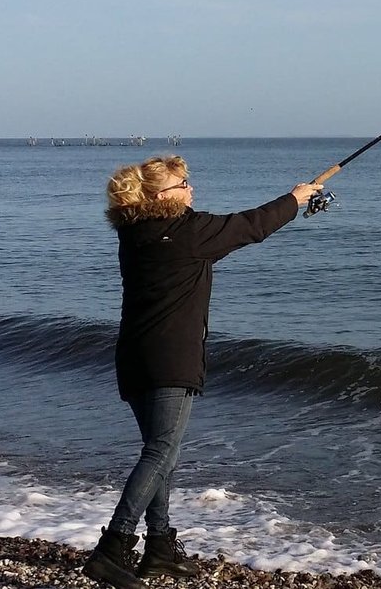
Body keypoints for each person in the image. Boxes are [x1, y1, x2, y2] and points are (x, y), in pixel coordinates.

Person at [84, 155, 321, 589]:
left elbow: (220, 240)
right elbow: (252, 225)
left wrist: (290, 201)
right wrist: (295, 198)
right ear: (161, 196)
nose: (191, 189)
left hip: (134, 355)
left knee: (162, 455)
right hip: (169, 358)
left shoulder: (138, 232)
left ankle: (158, 548)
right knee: (160, 453)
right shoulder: (188, 233)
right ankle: (112, 548)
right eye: (183, 184)